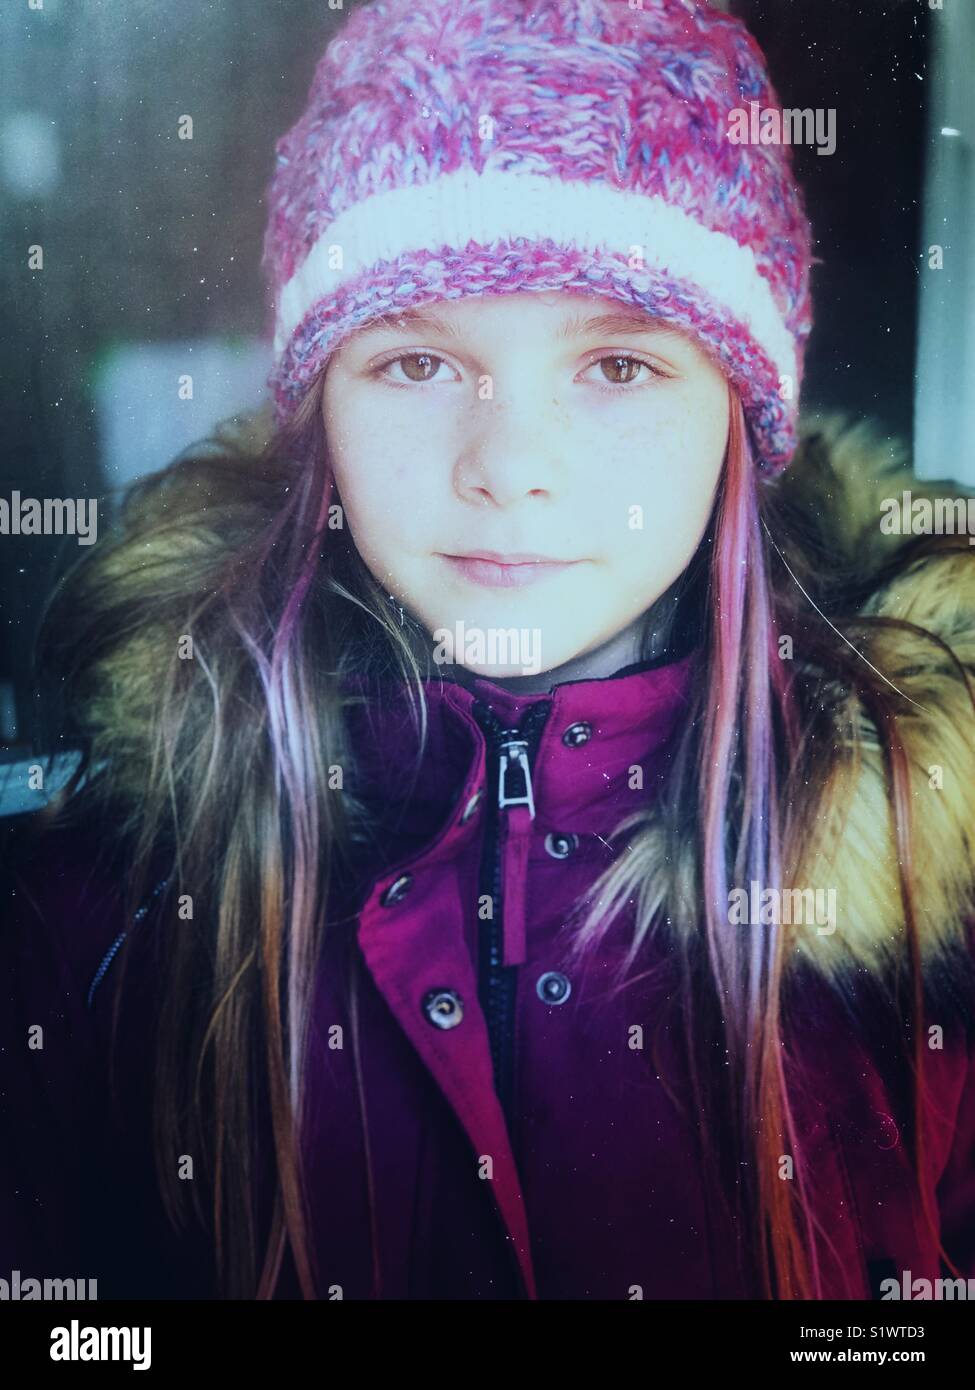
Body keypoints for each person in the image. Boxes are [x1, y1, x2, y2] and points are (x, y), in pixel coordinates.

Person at [2, 0, 974, 1302]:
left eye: (620, 365)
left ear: (741, 414)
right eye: (414, 362)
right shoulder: (95, 913)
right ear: (320, 410)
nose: (508, 466)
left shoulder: (933, 900)